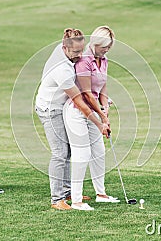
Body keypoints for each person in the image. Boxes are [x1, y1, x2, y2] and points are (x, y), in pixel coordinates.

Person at [35, 28, 110, 211]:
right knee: (60, 152)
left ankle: (68, 191)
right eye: (75, 52)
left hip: (61, 106)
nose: (79, 56)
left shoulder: (68, 49)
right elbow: (80, 101)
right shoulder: (62, 69)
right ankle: (57, 199)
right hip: (50, 109)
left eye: (81, 51)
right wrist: (99, 121)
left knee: (69, 150)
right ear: (65, 48)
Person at [63, 26, 119, 211]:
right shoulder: (84, 62)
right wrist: (102, 116)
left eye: (109, 47)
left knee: (99, 151)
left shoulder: (104, 61)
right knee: (82, 154)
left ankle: (101, 194)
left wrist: (104, 108)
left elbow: (102, 87)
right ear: (96, 43)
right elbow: (86, 94)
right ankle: (77, 200)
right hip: (77, 112)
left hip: (94, 111)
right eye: (105, 47)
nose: (107, 50)